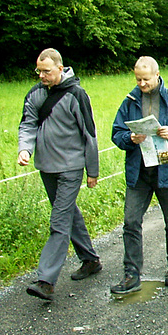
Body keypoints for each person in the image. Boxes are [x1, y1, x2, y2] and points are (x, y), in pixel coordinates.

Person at [18, 48, 101, 301]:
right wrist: (25, 149)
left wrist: (92, 171)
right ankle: (90, 260)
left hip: (71, 168)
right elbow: (28, 123)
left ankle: (46, 280)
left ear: (61, 68)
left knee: (59, 221)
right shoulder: (34, 94)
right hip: (47, 167)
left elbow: (89, 134)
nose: (42, 75)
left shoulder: (76, 95)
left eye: (46, 71)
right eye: (39, 71)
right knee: (68, 213)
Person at [111, 56, 168, 294]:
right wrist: (130, 138)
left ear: (157, 75)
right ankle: (131, 274)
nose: (141, 83)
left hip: (167, 170)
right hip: (139, 172)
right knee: (130, 221)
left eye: (146, 79)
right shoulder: (129, 101)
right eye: (138, 79)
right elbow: (116, 133)